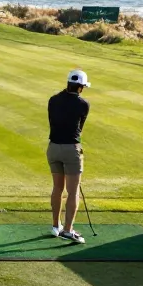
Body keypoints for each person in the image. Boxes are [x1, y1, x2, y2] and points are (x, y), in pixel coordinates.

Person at [47, 69, 91, 243]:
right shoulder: (83, 104)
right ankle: (67, 230)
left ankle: (55, 226)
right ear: (80, 87)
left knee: (57, 188)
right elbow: (80, 129)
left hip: (53, 148)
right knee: (73, 191)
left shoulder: (53, 100)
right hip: (71, 149)